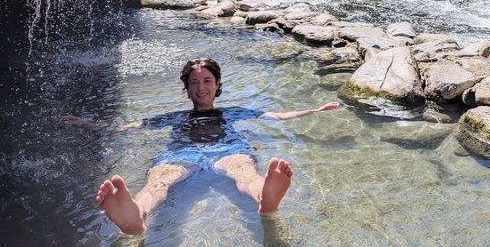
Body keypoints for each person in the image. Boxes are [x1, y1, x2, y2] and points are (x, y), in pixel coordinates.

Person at [60, 57, 341, 235]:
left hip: (227, 148)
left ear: (218, 85)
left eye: (207, 81)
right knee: (160, 179)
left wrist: (314, 111)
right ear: (186, 89)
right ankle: (137, 214)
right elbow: (128, 127)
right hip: (180, 153)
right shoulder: (173, 118)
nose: (201, 87)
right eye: (194, 83)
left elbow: (278, 116)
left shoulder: (233, 111)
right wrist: (86, 124)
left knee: (243, 171)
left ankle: (264, 198)